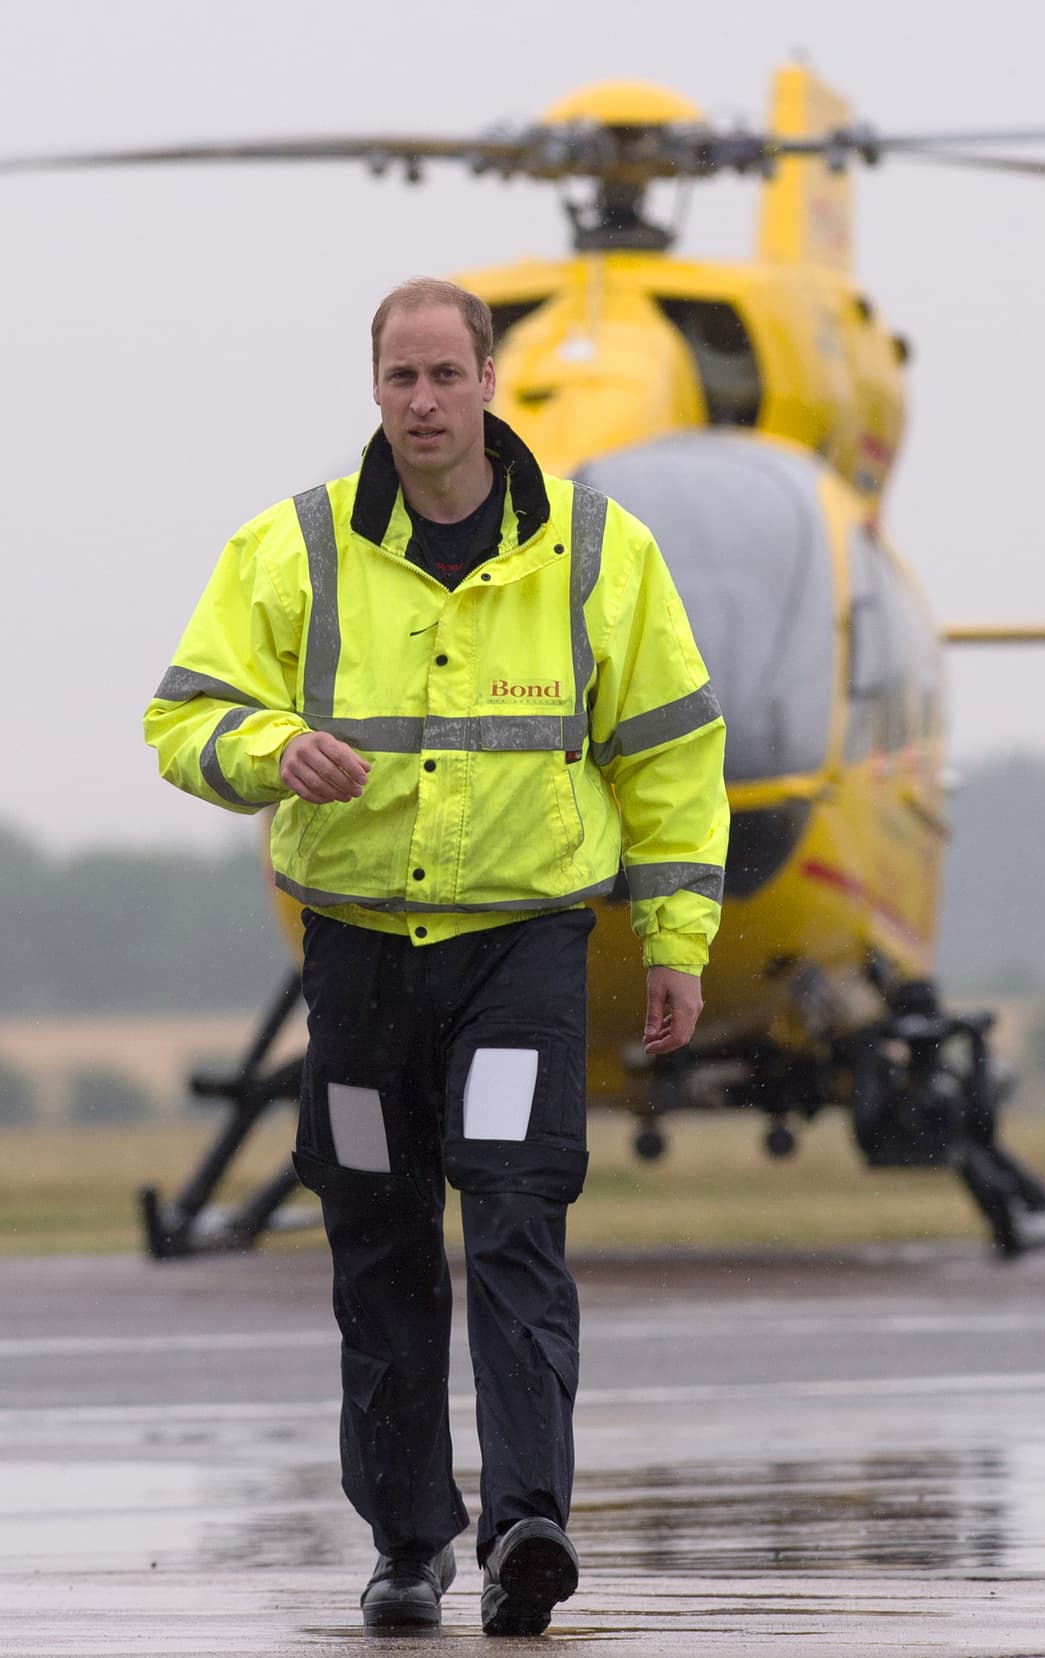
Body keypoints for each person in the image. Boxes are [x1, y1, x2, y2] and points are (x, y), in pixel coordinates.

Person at [143, 277, 729, 1636]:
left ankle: (528, 1522)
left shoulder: (596, 550)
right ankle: (410, 1541)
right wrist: (265, 748)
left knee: (516, 1221)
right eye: (400, 378)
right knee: (378, 1244)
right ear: (375, 389)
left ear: (486, 382)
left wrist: (678, 936)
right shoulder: (291, 550)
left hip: (519, 957)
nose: (422, 401)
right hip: (353, 966)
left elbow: (672, 750)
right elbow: (182, 717)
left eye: (444, 375)